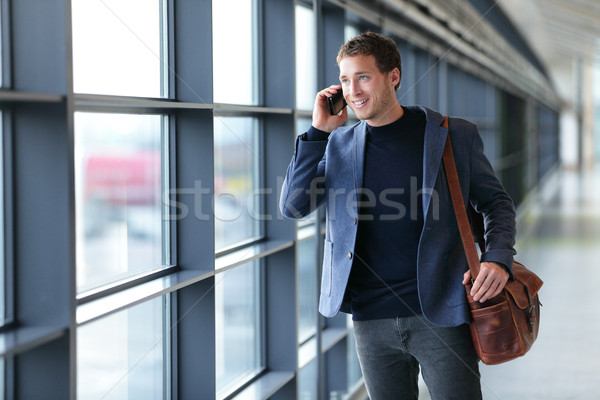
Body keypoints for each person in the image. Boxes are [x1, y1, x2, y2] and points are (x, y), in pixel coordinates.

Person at [279, 32, 516, 399]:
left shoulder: (452, 136)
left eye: (363, 77)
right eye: (344, 79)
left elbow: (496, 204)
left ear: (393, 76)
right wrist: (317, 132)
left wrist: (498, 259)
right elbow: (294, 206)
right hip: (370, 320)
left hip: (441, 311)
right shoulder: (339, 145)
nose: (353, 90)